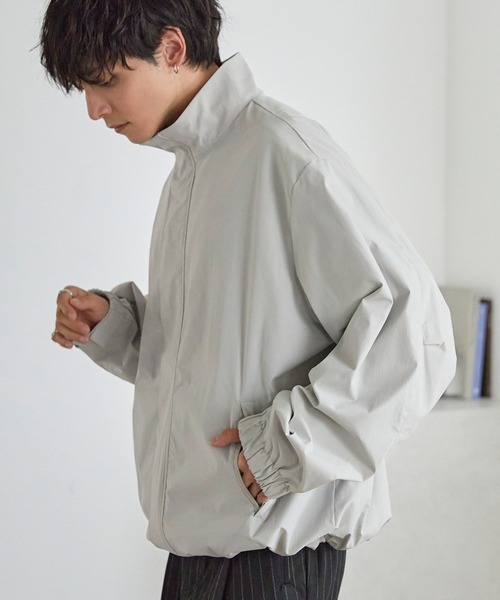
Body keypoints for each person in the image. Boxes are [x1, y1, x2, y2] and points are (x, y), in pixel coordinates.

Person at [40, 1, 456, 598]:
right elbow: (217, 355)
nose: (93, 108)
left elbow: (417, 334)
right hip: (199, 549)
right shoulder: (194, 170)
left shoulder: (286, 153)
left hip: (271, 559)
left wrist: (287, 448)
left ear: (172, 49)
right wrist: (115, 326)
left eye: (105, 82)